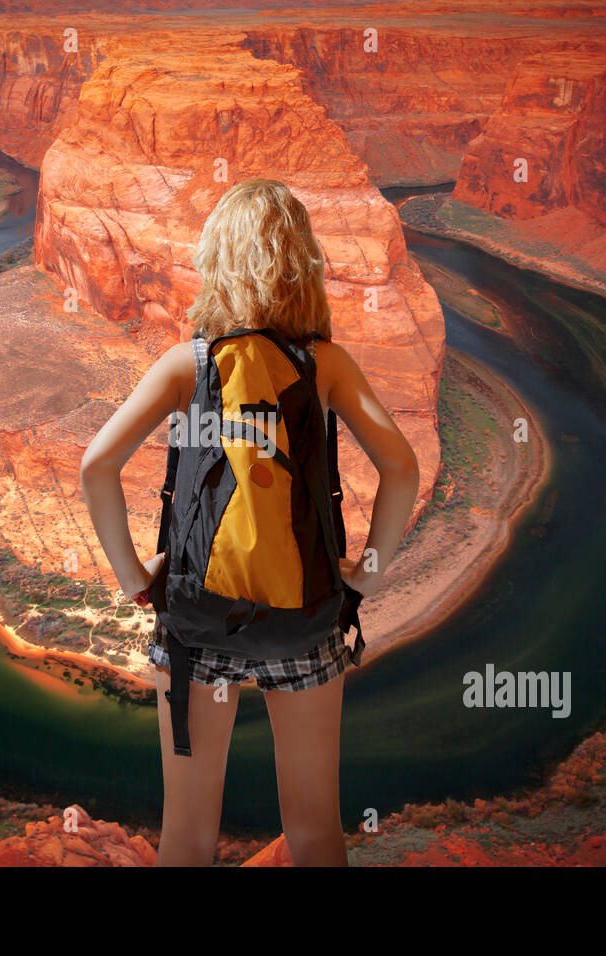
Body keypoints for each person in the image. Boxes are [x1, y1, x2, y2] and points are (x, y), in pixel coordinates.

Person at [79, 178, 419, 866]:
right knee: (315, 828)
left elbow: (97, 466)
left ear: (218, 263)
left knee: (189, 831)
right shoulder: (325, 364)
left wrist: (133, 580)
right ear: (302, 264)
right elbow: (402, 468)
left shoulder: (187, 365)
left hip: (195, 626)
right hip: (308, 618)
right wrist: (369, 577)